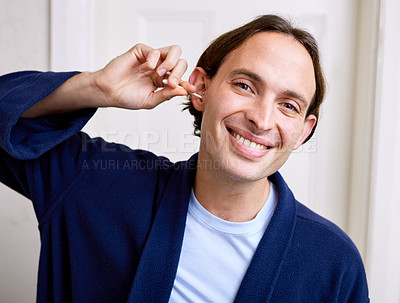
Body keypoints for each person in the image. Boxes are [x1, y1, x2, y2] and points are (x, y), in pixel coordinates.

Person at [0, 14, 369, 303]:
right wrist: (98, 87)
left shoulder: (334, 263)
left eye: (288, 105)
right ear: (201, 88)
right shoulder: (95, 184)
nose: (262, 118)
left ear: (303, 131)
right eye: (245, 85)